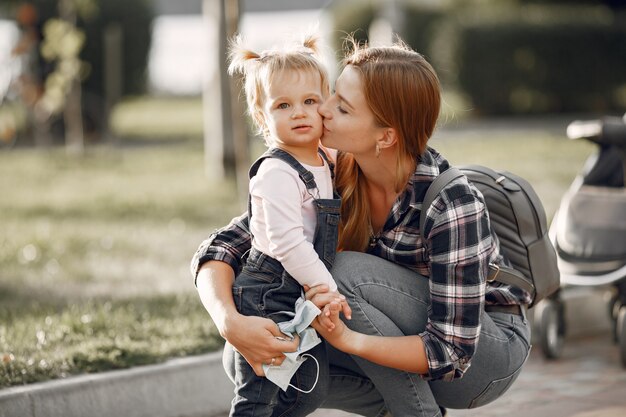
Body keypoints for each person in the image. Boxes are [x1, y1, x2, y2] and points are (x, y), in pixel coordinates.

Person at [192, 37, 531, 417]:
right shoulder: (329, 169)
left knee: (342, 273)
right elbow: (226, 245)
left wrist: (350, 341)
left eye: (343, 108)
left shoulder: (451, 203)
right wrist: (230, 322)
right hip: (398, 336)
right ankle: (395, 404)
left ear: (385, 136)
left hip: (481, 357)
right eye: (332, 95)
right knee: (249, 356)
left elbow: (449, 352)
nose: (324, 111)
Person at [221, 34, 346, 416]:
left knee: (307, 387)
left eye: (310, 101)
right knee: (260, 393)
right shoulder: (276, 171)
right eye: (283, 105)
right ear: (262, 116)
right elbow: (288, 242)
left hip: (296, 287)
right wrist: (328, 289)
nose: (299, 113)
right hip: (268, 291)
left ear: (326, 103)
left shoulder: (325, 158)